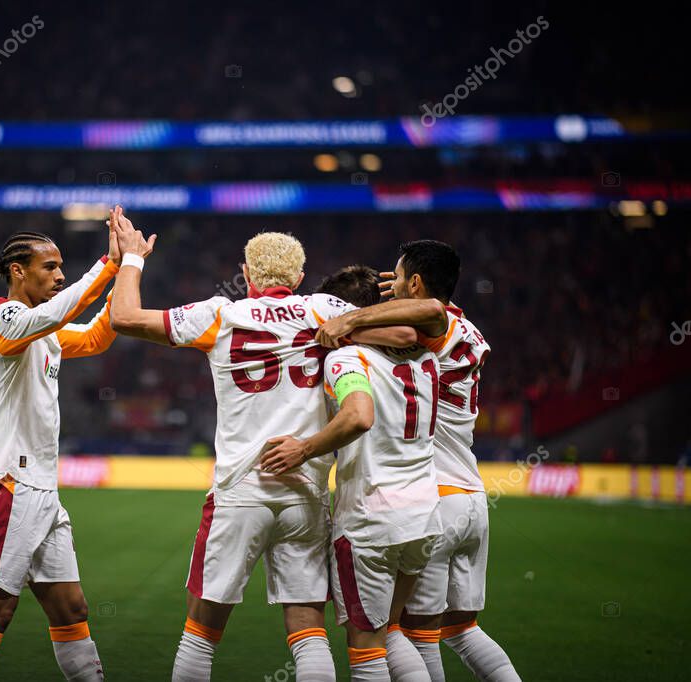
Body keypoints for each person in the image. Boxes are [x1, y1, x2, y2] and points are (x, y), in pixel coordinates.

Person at [107, 206, 415, 681]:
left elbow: (123, 317)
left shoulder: (219, 314)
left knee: (201, 633)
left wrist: (131, 258)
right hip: (305, 492)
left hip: (240, 492)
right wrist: (352, 321)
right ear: (300, 277)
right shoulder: (324, 308)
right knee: (308, 630)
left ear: (246, 273)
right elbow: (406, 334)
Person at [317, 241, 520, 681]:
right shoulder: (469, 330)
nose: (389, 290)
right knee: (462, 629)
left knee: (409, 634)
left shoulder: (430, 326)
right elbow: (427, 312)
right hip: (472, 497)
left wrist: (348, 319)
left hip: (433, 496)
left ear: (416, 283)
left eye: (396, 279)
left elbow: (424, 316)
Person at [0, 222, 142, 682]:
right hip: (8, 483)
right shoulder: (3, 321)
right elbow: (63, 310)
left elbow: (96, 336)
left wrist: (129, 270)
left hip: (40, 489)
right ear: (18, 271)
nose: (60, 275)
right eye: (50, 266)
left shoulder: (45, 331)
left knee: (71, 608)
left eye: (61, 267)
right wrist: (110, 263)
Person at [262, 265, 441, 682]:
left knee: (367, 649)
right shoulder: (425, 357)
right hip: (423, 513)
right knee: (391, 631)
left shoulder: (347, 358)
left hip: (371, 519)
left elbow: (359, 416)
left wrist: (303, 449)